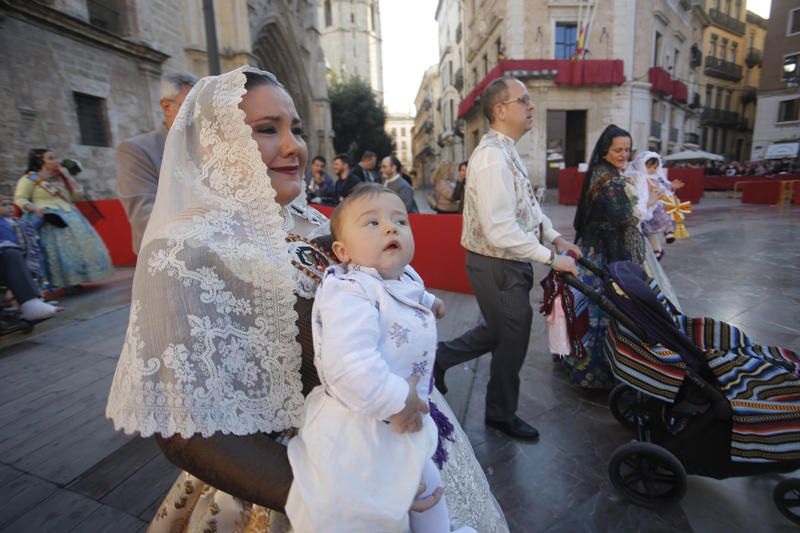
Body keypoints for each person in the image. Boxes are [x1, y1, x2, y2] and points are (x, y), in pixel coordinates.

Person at [105, 66, 508, 532]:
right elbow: (185, 428)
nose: (294, 146)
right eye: (266, 130)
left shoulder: (315, 223)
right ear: (215, 143)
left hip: (395, 430)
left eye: (295, 128)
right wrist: (333, 496)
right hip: (301, 481)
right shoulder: (185, 250)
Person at [286, 183, 474, 532]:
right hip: (368, 416)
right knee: (390, 498)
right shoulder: (349, 293)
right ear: (342, 251)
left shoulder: (399, 273)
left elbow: (408, 290)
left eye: (399, 221)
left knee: (427, 484)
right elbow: (350, 364)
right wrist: (398, 401)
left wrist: (431, 302)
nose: (390, 228)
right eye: (372, 223)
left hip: (404, 403)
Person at [435, 76, 580, 440]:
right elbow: (500, 228)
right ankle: (500, 414)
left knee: (502, 331)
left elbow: (526, 206)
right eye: (524, 100)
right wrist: (550, 258)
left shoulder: (506, 151)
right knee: (511, 338)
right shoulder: (490, 159)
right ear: (500, 110)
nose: (531, 106)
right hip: (496, 264)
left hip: (504, 263)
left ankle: (440, 358)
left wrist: (555, 235)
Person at [569, 125, 679, 389]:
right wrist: (648, 202)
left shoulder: (611, 174)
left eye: (627, 150)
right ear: (605, 149)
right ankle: (601, 374)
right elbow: (625, 217)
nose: (623, 154)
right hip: (606, 255)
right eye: (618, 149)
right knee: (608, 312)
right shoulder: (607, 178)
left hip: (609, 249)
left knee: (609, 312)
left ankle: (611, 369)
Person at [117, 72, 197, 254]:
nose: (198, 114)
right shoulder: (137, 150)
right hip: (165, 255)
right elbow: (145, 214)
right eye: (191, 106)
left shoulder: (211, 145)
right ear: (167, 106)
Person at [14, 148, 113, 289]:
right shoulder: (30, 178)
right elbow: (20, 199)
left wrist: (68, 177)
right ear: (40, 161)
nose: (56, 161)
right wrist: (36, 209)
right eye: (51, 158)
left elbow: (76, 196)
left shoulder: (60, 177)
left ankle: (76, 280)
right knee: (55, 252)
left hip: (71, 214)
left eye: (55, 157)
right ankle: (59, 283)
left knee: (81, 248)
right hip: (47, 218)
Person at [0, 195, 57, 321]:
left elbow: (31, 227)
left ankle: (35, 302)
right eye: (4, 205)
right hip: (9, 256)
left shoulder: (18, 221)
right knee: (12, 255)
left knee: (31, 274)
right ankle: (26, 305)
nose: (9, 207)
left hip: (22, 257)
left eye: (10, 204)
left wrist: (41, 219)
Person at [626, 151, 683, 259]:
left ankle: (669, 231)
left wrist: (671, 187)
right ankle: (657, 249)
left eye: (655, 167)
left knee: (663, 214)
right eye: (649, 167)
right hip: (644, 206)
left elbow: (664, 189)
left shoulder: (657, 178)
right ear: (641, 165)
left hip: (656, 203)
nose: (652, 170)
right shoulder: (637, 177)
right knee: (647, 230)